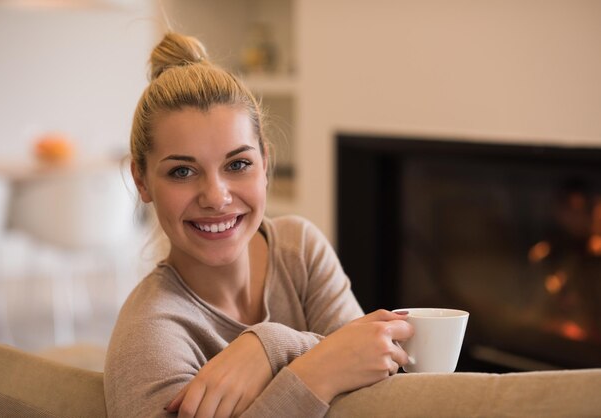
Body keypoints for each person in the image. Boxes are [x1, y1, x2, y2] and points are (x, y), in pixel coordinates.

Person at [104, 32, 413, 418]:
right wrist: (315, 373)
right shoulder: (150, 335)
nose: (216, 197)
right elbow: (349, 353)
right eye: (182, 171)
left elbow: (374, 371)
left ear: (265, 164)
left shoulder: (298, 248)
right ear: (142, 181)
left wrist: (272, 345)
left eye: (237, 165)